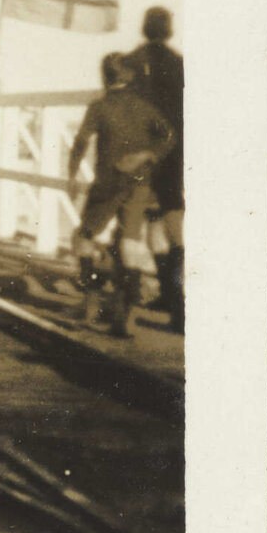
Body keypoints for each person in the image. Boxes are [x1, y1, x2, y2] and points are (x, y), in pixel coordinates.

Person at [68, 52, 174, 338]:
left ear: (105, 77)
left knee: (84, 237)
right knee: (130, 243)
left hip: (108, 183)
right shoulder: (144, 107)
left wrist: (72, 174)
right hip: (140, 182)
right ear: (129, 77)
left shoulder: (99, 107)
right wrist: (146, 154)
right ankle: (124, 316)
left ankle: (91, 302)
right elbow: (168, 136)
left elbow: (81, 142)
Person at [124, 6, 185, 333]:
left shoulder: (134, 61)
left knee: (150, 219)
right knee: (172, 222)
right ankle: (173, 299)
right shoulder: (179, 63)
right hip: (174, 151)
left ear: (145, 27)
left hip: (146, 151)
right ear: (169, 29)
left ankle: (172, 298)